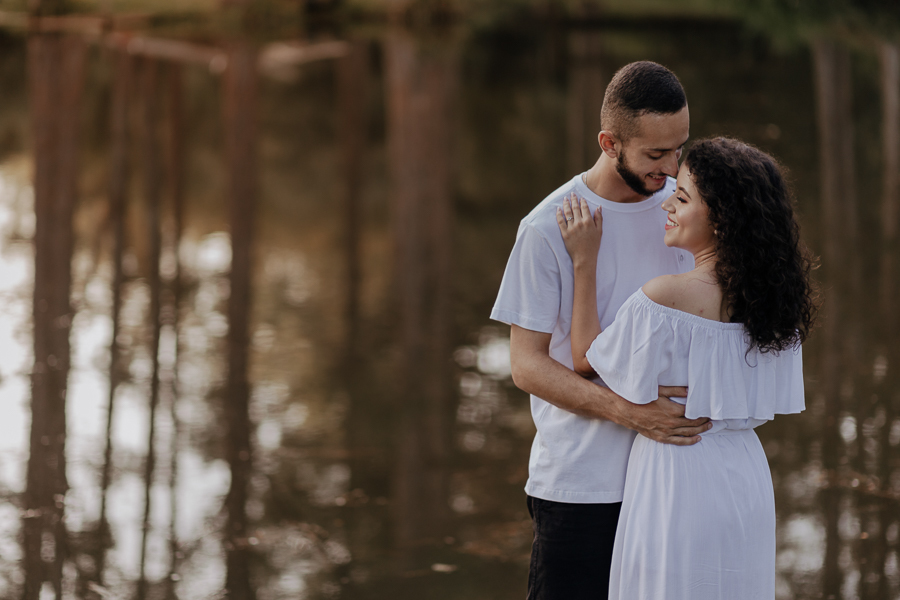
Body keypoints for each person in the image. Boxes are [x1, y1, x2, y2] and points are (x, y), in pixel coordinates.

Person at [556, 137, 817, 599]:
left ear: (721, 218)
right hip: (745, 475)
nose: (667, 207)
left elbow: (584, 358)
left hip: (677, 472)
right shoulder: (773, 307)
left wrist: (584, 261)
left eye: (682, 198)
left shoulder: (665, 297)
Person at [491, 61, 710, 599]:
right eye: (655, 155)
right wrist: (630, 413)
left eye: (678, 148)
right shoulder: (547, 229)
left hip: (669, 480)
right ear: (609, 142)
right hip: (581, 487)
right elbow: (527, 365)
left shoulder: (687, 215)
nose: (671, 167)